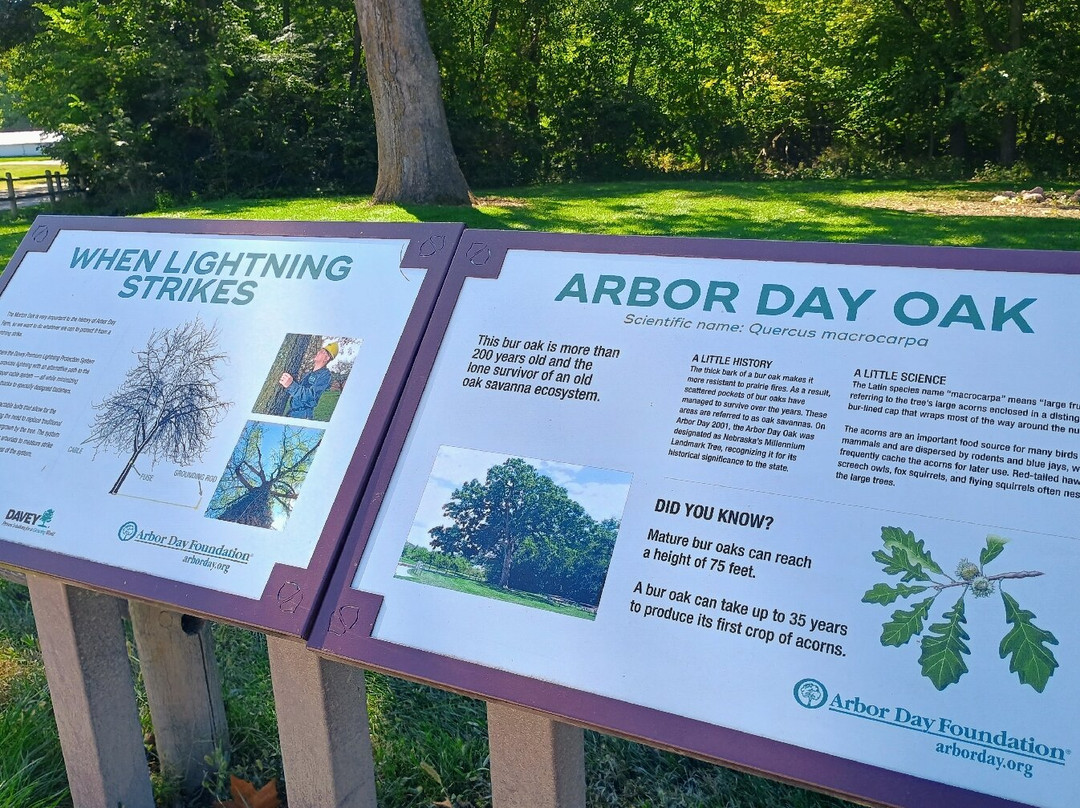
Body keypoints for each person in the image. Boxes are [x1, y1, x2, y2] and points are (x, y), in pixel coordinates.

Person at [279, 341, 337, 419]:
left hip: (302, 415)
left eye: (322, 352)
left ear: (327, 358)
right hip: (292, 412)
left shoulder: (325, 375)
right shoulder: (308, 373)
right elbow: (301, 390)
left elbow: (311, 396)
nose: (318, 352)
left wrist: (291, 385)